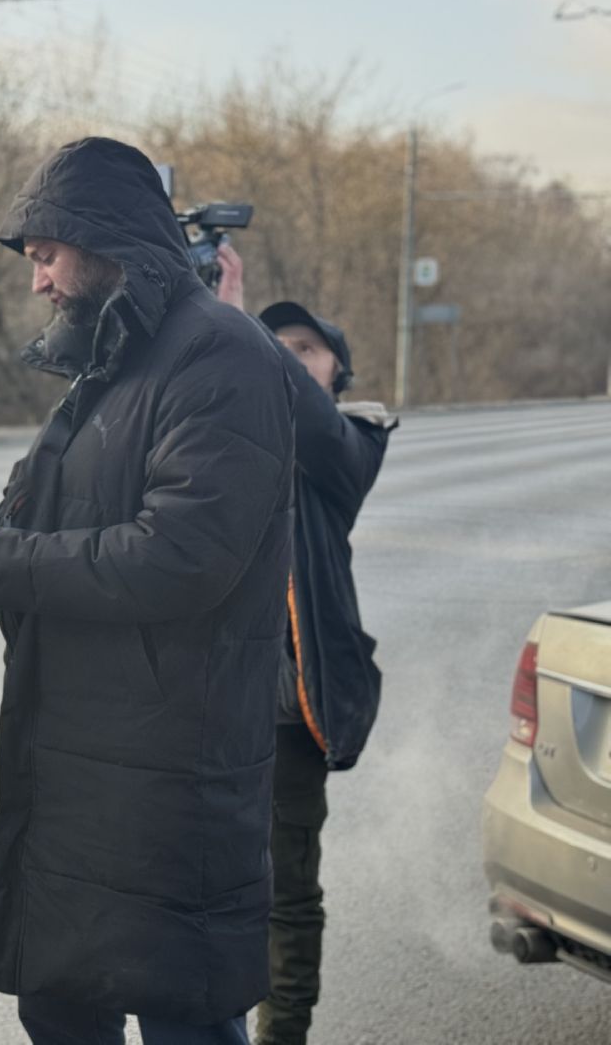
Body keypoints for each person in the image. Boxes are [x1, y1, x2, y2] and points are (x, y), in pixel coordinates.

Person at [0, 137, 297, 1044]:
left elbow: (182, 554)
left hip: (169, 779)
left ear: (105, 241)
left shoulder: (221, 356)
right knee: (62, 1005)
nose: (38, 283)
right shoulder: (119, 360)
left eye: (45, 257)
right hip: (81, 772)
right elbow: (62, 523)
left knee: (184, 1016)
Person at [216, 244, 397, 1045]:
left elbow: (309, 425)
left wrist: (233, 323)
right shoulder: (221, 434)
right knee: (208, 885)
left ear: (335, 376)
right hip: (210, 700)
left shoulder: (349, 445)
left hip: (290, 711)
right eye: (274, 345)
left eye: (303, 351)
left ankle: (280, 1034)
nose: (285, 360)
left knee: (286, 891)